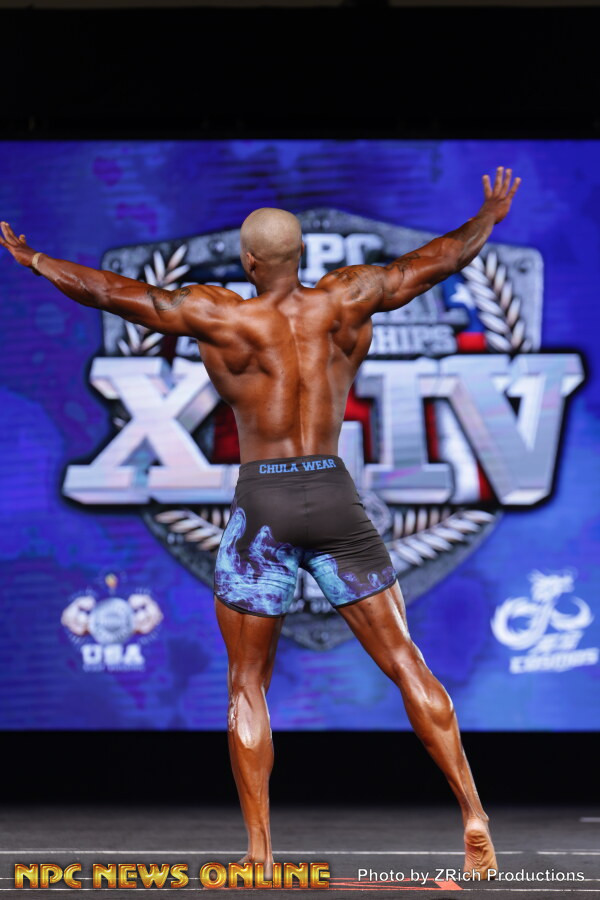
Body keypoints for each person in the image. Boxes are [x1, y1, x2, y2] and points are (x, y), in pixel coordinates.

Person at [0, 165, 520, 880]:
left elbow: (115, 294)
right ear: (300, 255)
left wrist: (35, 260)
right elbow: (434, 262)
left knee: (247, 683)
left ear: (248, 261)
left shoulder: (222, 315)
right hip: (333, 495)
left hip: (262, 508)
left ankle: (261, 853)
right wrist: (487, 216)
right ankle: (472, 812)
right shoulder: (348, 298)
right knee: (406, 661)